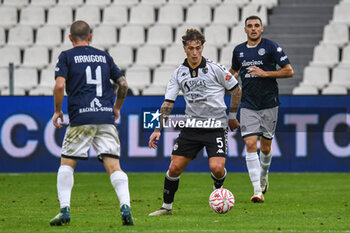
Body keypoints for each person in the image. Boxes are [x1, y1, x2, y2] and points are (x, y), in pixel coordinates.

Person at [148, 29, 242, 216]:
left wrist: (232, 117)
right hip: (191, 127)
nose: (194, 52)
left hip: (215, 127)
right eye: (190, 48)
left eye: (197, 48)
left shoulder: (215, 69)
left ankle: (218, 188)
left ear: (202, 48)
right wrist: (158, 129)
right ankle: (166, 207)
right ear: (184, 48)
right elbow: (168, 103)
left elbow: (236, 89)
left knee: (217, 168)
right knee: (174, 168)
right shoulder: (178, 74)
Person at [50, 20, 134, 226]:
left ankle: (64, 210)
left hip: (81, 117)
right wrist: (116, 108)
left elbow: (60, 85)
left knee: (67, 164)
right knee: (114, 166)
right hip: (105, 117)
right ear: (90, 36)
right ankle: (125, 206)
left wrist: (58, 111)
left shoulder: (67, 56)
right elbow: (123, 84)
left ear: (70, 38)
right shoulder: (104, 56)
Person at [230, 15, 294, 203]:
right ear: (245, 29)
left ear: (262, 28)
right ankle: (257, 190)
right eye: (250, 26)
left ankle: (264, 175)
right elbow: (233, 72)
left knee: (265, 147)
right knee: (250, 144)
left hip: (269, 103)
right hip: (248, 103)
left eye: (256, 26)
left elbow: (289, 71)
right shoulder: (239, 50)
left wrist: (265, 73)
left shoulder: (271, 47)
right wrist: (223, 80)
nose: (253, 29)